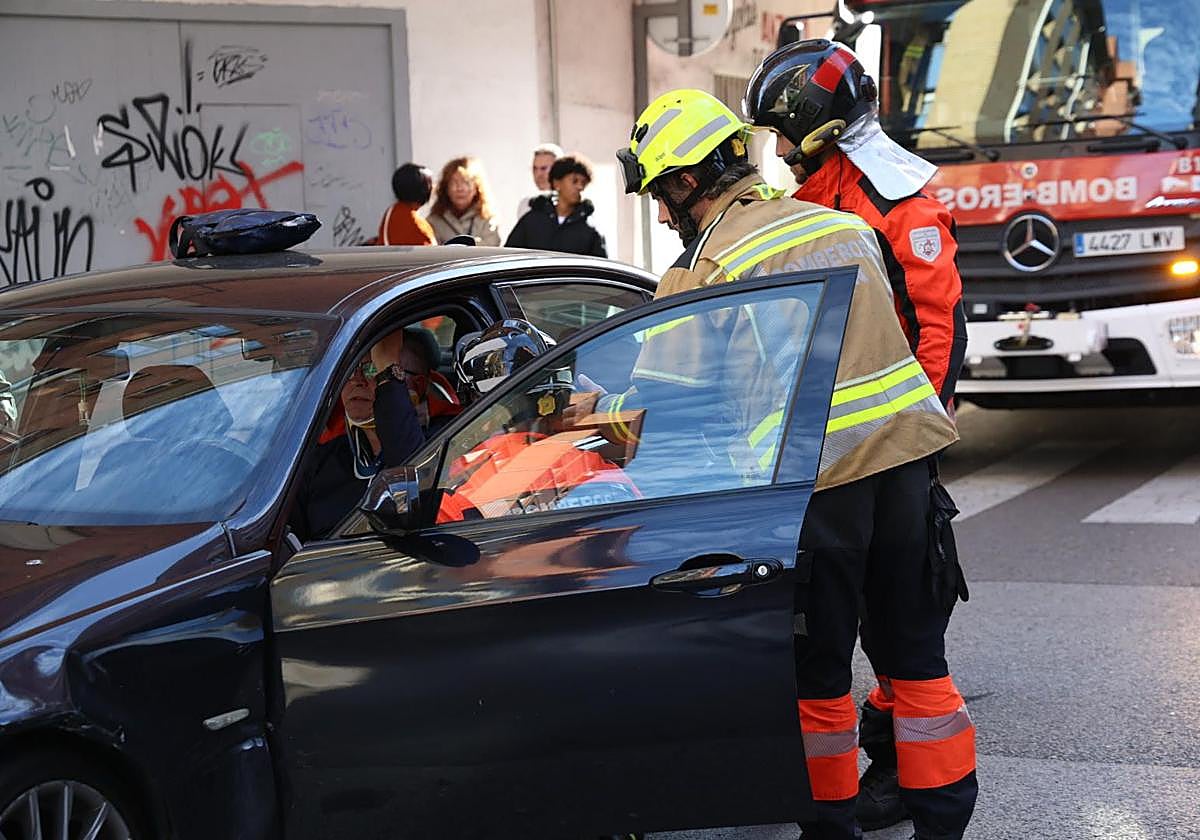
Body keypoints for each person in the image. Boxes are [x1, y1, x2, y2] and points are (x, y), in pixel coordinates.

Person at [615, 89, 975, 840]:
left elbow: (663, 412)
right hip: (908, 475)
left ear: (685, 182)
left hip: (817, 492)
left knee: (818, 685)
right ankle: (943, 826)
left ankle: (830, 831)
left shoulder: (705, 264)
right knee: (917, 666)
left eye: (658, 195)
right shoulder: (843, 228)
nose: (658, 216)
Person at [743, 39, 969, 832]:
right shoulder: (828, 191)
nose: (774, 150)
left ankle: (899, 785)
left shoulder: (892, 198)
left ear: (813, 127)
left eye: (780, 132)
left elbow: (937, 330)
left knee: (888, 644)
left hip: (880, 460)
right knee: (890, 640)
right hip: (843, 457)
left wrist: (923, 447)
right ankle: (900, 777)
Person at [289, 330, 426, 542]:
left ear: (416, 385)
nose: (357, 381)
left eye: (373, 369)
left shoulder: (444, 442)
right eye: (350, 371)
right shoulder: (318, 460)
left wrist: (388, 375)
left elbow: (414, 481)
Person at [505, 154, 607, 257]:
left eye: (583, 183)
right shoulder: (531, 220)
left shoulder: (590, 229)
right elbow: (509, 257)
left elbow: (601, 269)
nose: (580, 187)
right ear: (557, 183)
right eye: (574, 181)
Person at [428, 156, 501, 246]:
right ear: (446, 188)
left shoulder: (487, 219)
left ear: (476, 188)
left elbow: (492, 248)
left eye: (466, 182)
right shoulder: (434, 221)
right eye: (454, 182)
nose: (460, 188)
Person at [375, 163, 437, 246]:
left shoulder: (392, 211)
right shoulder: (416, 223)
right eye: (430, 183)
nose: (433, 187)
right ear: (422, 189)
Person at [516, 142, 563, 218]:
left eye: (544, 169)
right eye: (535, 168)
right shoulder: (526, 205)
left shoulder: (571, 203)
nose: (538, 174)